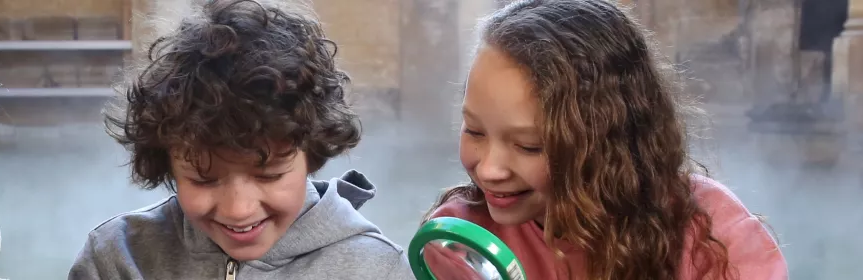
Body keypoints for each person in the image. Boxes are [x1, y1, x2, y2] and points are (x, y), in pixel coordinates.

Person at [423, 0, 787, 279]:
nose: (489, 170)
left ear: (607, 139)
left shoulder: (714, 238)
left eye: (529, 146)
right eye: (474, 130)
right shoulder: (460, 240)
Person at [68, 0, 411, 278]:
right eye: (203, 179)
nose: (238, 210)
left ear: (313, 153)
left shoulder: (375, 269)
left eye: (269, 175)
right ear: (167, 165)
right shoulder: (116, 258)